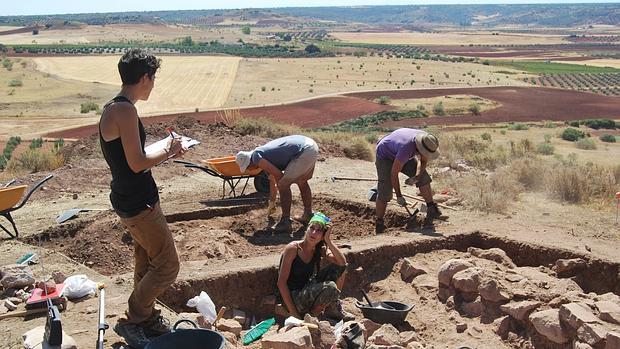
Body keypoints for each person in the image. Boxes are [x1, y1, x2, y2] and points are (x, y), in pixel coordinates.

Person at [99, 48, 185, 348]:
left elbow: (130, 157)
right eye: (153, 78)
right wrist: (170, 151)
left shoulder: (115, 107)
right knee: (167, 265)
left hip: (130, 197)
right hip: (139, 202)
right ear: (145, 77)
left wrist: (163, 150)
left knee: (146, 260)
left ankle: (144, 317)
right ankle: (134, 319)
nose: (154, 84)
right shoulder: (125, 110)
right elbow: (137, 163)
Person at [277, 212, 354, 321]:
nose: (314, 232)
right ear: (306, 229)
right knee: (330, 287)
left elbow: (342, 263)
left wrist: (329, 241)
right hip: (293, 297)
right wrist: (294, 314)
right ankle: (312, 315)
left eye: (319, 231)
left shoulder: (319, 249)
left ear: (323, 235)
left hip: (307, 289)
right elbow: (281, 283)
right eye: (312, 228)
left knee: (340, 270)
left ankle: (332, 307)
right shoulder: (293, 248)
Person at [236, 135, 319, 233]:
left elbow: (279, 176)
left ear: (249, 162)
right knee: (302, 181)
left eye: (247, 167)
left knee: (283, 184)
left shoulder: (256, 158)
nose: (249, 170)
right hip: (310, 146)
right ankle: (308, 214)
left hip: (304, 151)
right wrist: (272, 201)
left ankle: (285, 222)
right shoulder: (263, 153)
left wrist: (282, 188)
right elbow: (273, 178)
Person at [374, 128, 441, 233]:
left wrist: (417, 177)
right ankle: (379, 222)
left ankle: (431, 208)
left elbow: (422, 161)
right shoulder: (406, 148)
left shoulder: (427, 141)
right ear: (419, 147)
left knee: (423, 177)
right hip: (385, 155)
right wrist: (399, 196)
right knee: (385, 190)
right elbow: (394, 173)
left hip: (399, 151)